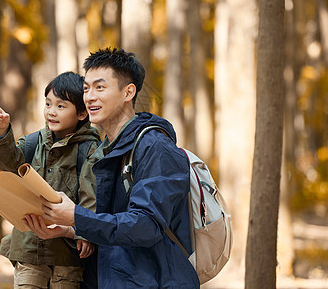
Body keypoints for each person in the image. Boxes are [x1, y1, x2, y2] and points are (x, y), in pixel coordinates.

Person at [24, 47, 200, 288]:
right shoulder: (104, 150)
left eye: (100, 87)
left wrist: (76, 215)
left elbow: (145, 226)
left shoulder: (155, 148)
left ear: (128, 92)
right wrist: (69, 229)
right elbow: (109, 224)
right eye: (86, 88)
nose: (90, 96)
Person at [0, 71, 100, 289]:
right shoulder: (32, 143)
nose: (51, 112)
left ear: (81, 114)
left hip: (67, 255)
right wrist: (3, 132)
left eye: (61, 106)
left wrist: (85, 233)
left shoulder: (89, 149)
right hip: (29, 249)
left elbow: (90, 196)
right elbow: (7, 167)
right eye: (48, 104)